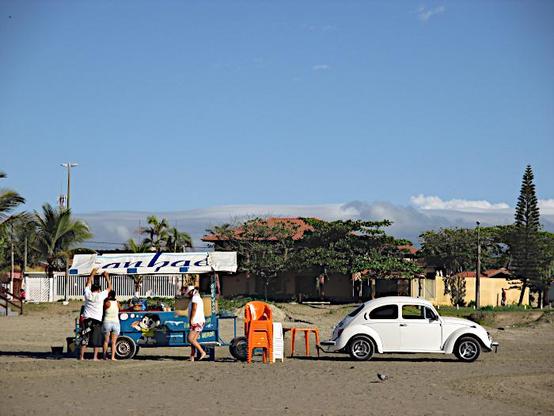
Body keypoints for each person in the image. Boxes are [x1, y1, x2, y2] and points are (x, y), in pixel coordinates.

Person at [79, 268, 112, 361]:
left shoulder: (88, 294)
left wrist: (92, 274)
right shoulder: (100, 295)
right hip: (96, 321)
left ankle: (81, 357)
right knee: (96, 340)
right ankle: (95, 357)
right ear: (98, 290)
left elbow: (87, 284)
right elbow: (110, 288)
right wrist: (107, 277)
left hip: (87, 320)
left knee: (85, 338)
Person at [184, 285, 206, 361]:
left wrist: (191, 319)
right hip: (200, 321)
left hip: (196, 321)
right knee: (193, 340)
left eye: (188, 293)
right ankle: (192, 356)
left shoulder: (195, 298)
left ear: (191, 292)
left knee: (190, 339)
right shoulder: (197, 297)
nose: (188, 295)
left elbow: (194, 309)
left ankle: (202, 352)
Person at [102, 290, 120, 361]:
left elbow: (103, 309)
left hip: (107, 321)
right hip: (116, 322)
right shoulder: (117, 303)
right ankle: (112, 357)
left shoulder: (107, 303)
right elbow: (120, 309)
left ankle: (104, 356)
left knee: (106, 341)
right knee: (113, 342)